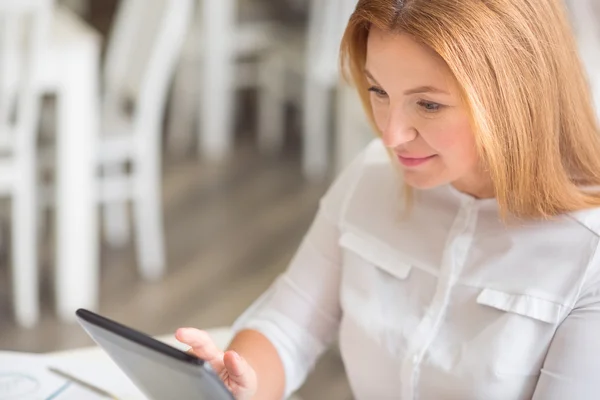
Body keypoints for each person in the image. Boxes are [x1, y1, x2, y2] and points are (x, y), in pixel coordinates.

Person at [176, 0, 600, 399]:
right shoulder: (372, 175)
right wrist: (239, 380)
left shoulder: (588, 253)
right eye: (379, 91)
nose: (391, 136)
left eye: (429, 105)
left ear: (516, 98)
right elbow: (287, 326)